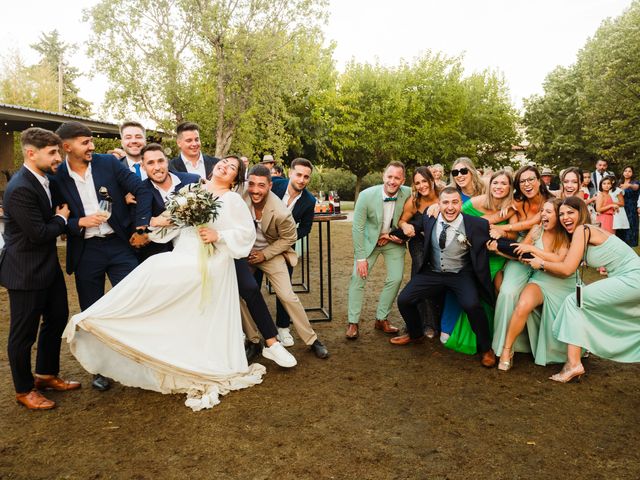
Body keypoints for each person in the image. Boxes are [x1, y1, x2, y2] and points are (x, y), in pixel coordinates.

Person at [63, 155, 268, 410]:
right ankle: (103, 320)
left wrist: (218, 234)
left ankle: (198, 357)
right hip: (183, 251)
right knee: (152, 270)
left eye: (232, 168)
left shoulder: (234, 199)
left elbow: (245, 233)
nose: (224, 166)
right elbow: (172, 222)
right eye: (223, 162)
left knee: (158, 271)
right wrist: (155, 224)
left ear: (236, 179)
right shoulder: (192, 189)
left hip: (213, 259)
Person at [50, 121, 152, 391]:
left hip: (120, 245)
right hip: (86, 252)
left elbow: (141, 189)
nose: (92, 146)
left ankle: (141, 359)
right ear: (66, 146)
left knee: (134, 302)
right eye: (85, 142)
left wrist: (141, 226)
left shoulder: (108, 163)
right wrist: (79, 222)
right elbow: (54, 218)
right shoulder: (56, 175)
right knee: (92, 312)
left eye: (91, 141)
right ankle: (100, 369)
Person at [0, 128, 80, 410]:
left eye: (58, 151)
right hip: (25, 272)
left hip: (47, 268)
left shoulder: (46, 179)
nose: (58, 157)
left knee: (57, 318)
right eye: (53, 152)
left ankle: (45, 374)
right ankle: (24, 390)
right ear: (31, 153)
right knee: (22, 336)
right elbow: (38, 233)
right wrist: (61, 219)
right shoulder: (20, 187)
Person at [525, 197, 640, 382]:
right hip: (627, 278)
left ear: (582, 213)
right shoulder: (581, 232)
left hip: (632, 277)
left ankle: (573, 364)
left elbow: (567, 269)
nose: (565, 217)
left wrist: (541, 264)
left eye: (570, 212)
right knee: (580, 302)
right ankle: (577, 357)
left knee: (574, 301)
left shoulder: (583, 230)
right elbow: (563, 260)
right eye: (561, 214)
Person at [391, 187, 496, 368]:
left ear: (461, 204)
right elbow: (412, 228)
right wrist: (393, 233)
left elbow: (495, 240)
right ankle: (416, 334)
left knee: (472, 305)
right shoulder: (429, 218)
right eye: (445, 202)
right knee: (404, 300)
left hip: (460, 273)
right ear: (438, 204)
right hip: (433, 272)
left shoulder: (476, 224)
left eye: (454, 202)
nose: (450, 207)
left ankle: (486, 348)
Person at [243, 165, 329, 359]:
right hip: (244, 253)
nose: (256, 190)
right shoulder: (241, 195)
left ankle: (312, 339)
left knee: (288, 296)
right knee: (240, 294)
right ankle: (254, 340)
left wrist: (265, 254)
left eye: (261, 186)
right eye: (252, 184)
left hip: (271, 253)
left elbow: (289, 239)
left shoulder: (282, 212)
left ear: (270, 186)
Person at [491, 198, 572, 370]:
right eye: (542, 211)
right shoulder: (536, 230)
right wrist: (498, 249)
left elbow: (559, 259)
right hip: (540, 278)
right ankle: (507, 350)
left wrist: (533, 250)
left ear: (558, 216)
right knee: (523, 304)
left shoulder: (564, 234)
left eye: (548, 212)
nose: (543, 215)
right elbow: (520, 252)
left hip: (559, 279)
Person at [442, 170, 513, 354]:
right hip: (475, 254)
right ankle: (475, 336)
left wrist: (502, 231)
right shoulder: (475, 202)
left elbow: (513, 235)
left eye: (503, 184)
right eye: (495, 183)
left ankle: (497, 335)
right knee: (472, 287)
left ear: (510, 187)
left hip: (498, 256)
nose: (498, 187)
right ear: (490, 185)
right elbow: (456, 216)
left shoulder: (512, 207)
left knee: (496, 286)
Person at [491, 166, 553, 356]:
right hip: (521, 249)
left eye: (531, 179)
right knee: (508, 292)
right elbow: (495, 217)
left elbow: (533, 222)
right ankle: (501, 347)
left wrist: (504, 229)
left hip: (544, 250)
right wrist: (466, 216)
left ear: (539, 180)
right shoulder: (517, 202)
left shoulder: (551, 202)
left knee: (542, 299)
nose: (527, 184)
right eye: (522, 181)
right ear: (518, 185)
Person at [346, 161, 411, 340]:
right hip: (369, 242)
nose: (392, 181)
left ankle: (381, 319)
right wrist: (360, 258)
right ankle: (353, 322)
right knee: (358, 277)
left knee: (396, 278)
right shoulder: (366, 196)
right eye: (389, 176)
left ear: (403, 180)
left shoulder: (409, 193)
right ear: (383, 176)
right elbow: (358, 228)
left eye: (397, 178)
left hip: (392, 241)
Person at [270, 158, 316, 346]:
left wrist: (287, 239)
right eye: (299, 174)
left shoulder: (309, 200)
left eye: (306, 177)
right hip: (258, 243)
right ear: (290, 173)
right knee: (252, 288)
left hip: (285, 247)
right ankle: (252, 331)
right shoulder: (274, 185)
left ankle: (282, 328)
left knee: (285, 290)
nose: (302, 179)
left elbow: (306, 228)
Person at [397, 167, 440, 337]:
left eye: (424, 181)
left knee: (438, 276)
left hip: (438, 243)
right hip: (418, 242)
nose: (422, 185)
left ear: (432, 180)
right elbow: (401, 220)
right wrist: (405, 225)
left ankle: (435, 320)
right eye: (417, 183)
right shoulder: (414, 201)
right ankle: (425, 323)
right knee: (421, 271)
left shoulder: (443, 196)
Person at [138, 143, 201, 260]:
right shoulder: (140, 190)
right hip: (160, 254)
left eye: (160, 161)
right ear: (143, 166)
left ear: (167, 162)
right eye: (150, 163)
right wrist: (152, 221)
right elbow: (137, 221)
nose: (157, 167)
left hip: (195, 248)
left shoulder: (192, 180)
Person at [618, 165, 640, 247]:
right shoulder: (619, 182)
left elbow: (636, 187)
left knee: (631, 228)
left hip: (631, 209)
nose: (627, 173)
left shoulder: (635, 182)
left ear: (632, 173)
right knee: (621, 228)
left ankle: (630, 247)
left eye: (629, 171)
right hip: (620, 208)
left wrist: (629, 185)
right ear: (623, 172)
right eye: (625, 171)